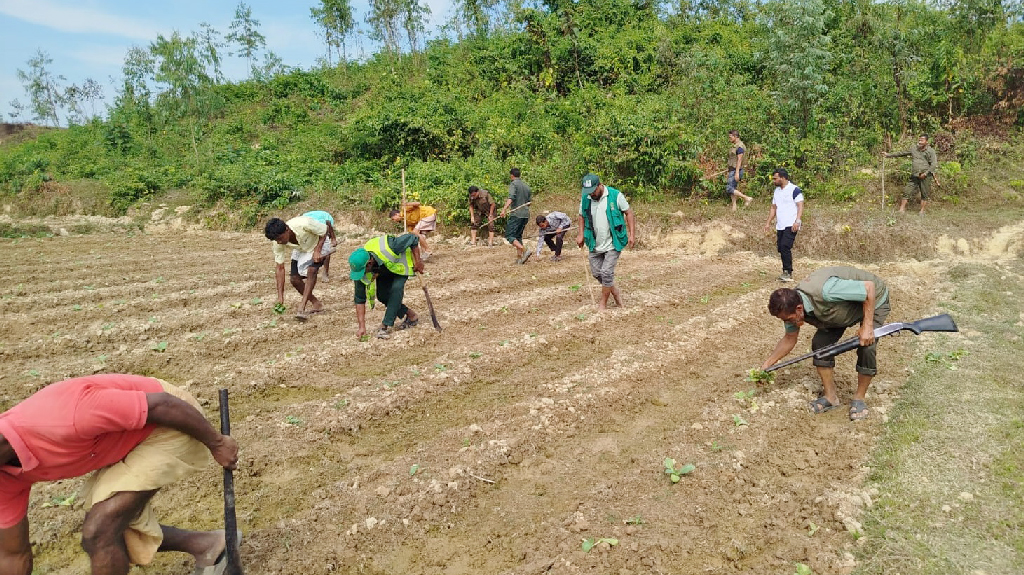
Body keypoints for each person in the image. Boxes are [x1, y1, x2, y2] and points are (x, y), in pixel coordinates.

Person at [0, 374, 240, 575]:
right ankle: (209, 545)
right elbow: (14, 555)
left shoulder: (60, 417)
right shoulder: (4, 477)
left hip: (170, 421)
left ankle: (207, 545)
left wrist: (217, 443)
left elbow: (162, 405)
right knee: (107, 525)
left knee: (100, 529)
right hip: (119, 440)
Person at [760, 266, 891, 421]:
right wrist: (768, 364)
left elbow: (869, 288)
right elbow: (789, 338)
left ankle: (859, 398)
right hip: (839, 311)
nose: (788, 322)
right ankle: (831, 397)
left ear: (799, 308)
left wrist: (867, 326)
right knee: (820, 345)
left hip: (873, 300)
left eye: (788, 319)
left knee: (866, 346)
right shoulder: (790, 308)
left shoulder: (827, 291)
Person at [348, 233, 426, 340]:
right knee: (382, 296)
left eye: (363, 271)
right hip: (384, 269)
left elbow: (413, 238)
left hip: (400, 266)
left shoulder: (392, 246)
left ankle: (384, 326)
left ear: (369, 263)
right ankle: (412, 316)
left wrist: (418, 261)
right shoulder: (360, 267)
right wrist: (362, 327)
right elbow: (359, 299)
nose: (362, 275)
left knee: (396, 290)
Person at [576, 173, 636, 309]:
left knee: (606, 272)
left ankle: (602, 303)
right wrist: (580, 234)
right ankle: (614, 291)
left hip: (613, 241)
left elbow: (629, 213)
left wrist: (632, 235)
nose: (591, 195)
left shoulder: (615, 196)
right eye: (588, 192)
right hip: (594, 241)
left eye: (593, 191)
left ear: (599, 185)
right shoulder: (586, 198)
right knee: (597, 273)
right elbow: (581, 216)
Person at [265, 215, 334, 319]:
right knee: (294, 279)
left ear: (287, 229)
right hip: (301, 249)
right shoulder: (277, 242)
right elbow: (280, 268)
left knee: (312, 270)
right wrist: (280, 297)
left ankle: (302, 307)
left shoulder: (304, 224)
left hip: (319, 242)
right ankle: (316, 303)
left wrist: (317, 250)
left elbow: (325, 230)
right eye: (276, 240)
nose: (279, 242)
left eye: (280, 238)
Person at [763, 168, 804, 282]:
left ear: (783, 178)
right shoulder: (777, 191)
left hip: (791, 224)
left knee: (785, 246)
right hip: (780, 224)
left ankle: (788, 272)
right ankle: (785, 270)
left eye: (775, 178)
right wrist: (768, 222)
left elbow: (800, 205)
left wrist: (797, 221)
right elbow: (773, 208)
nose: (774, 181)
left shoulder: (794, 190)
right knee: (781, 247)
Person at [883, 135, 938, 215]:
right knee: (907, 191)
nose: (920, 142)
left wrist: (925, 173)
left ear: (926, 142)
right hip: (914, 175)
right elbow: (902, 153)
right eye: (919, 140)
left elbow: (933, 164)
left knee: (924, 193)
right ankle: (901, 210)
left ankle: (922, 211)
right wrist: (888, 155)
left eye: (922, 140)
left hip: (925, 176)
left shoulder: (931, 151)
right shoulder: (914, 149)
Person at [501, 167, 532, 264]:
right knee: (518, 237)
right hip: (525, 215)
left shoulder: (514, 184)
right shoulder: (526, 186)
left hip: (516, 214)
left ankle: (524, 249)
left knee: (510, 235)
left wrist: (504, 209)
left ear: (511, 175)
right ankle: (519, 259)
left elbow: (511, 198)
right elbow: (529, 202)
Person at [302, 210, 338, 281]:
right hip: (310, 224)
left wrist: (333, 238)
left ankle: (325, 272)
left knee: (326, 250)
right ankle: (308, 270)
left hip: (325, 223)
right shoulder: (303, 225)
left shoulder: (323, 222)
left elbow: (328, 224)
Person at [726, 129, 754, 211]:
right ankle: (734, 207)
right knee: (733, 188)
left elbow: (739, 159)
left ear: (735, 136)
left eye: (730, 137)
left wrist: (737, 172)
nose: (729, 139)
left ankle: (746, 198)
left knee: (729, 188)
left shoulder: (740, 147)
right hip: (732, 169)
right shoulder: (734, 146)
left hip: (736, 170)